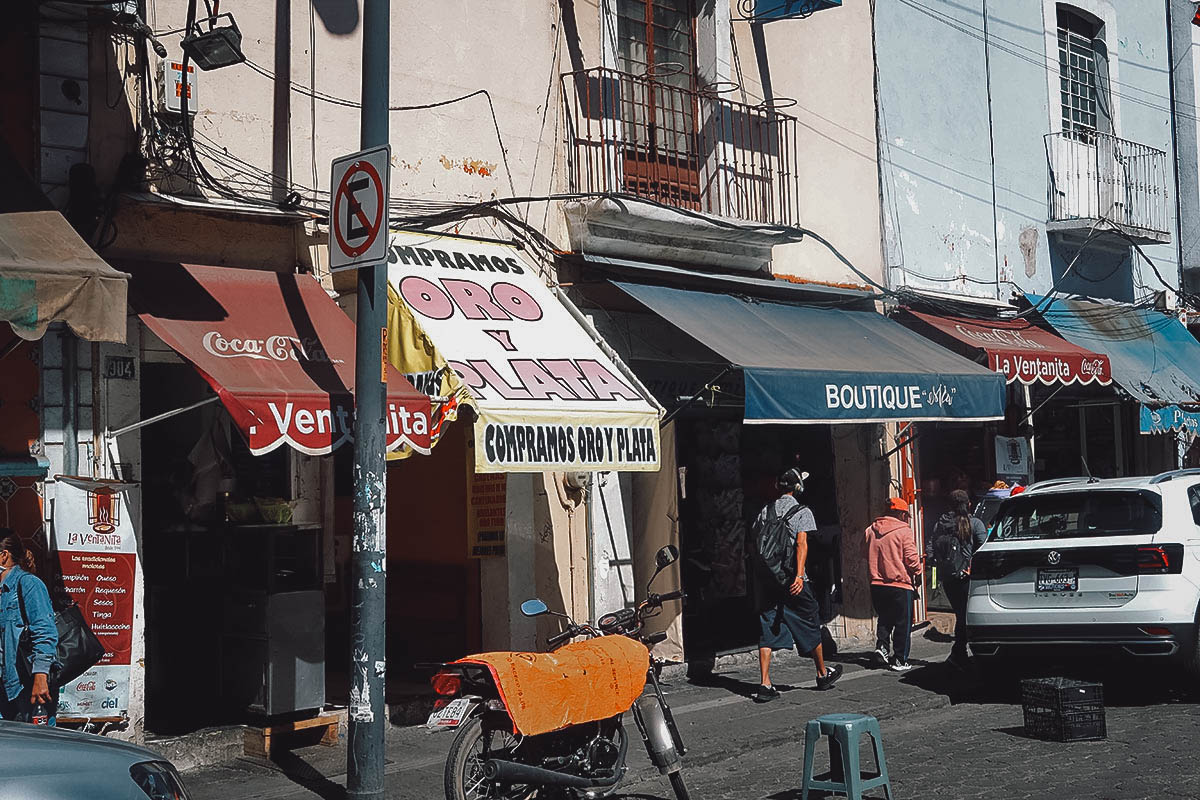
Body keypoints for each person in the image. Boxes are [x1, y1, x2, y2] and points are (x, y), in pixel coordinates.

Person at [752, 468, 843, 700]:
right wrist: (799, 576)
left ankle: (764, 683)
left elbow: (756, 541)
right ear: (798, 488)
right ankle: (822, 673)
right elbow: (802, 544)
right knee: (809, 618)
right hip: (792, 578)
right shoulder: (802, 512)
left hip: (769, 580)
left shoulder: (765, 510)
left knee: (767, 623)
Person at [926, 489, 989, 669]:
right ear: (969, 504)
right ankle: (959, 652)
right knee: (965, 617)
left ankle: (959, 652)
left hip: (948, 577)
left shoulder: (940, 524)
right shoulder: (974, 523)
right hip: (967, 577)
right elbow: (983, 549)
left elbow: (930, 548)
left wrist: (939, 567)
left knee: (960, 615)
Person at [0, 532, 59, 724]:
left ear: (3, 555)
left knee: (36, 748)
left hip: (26, 687)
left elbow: (45, 631)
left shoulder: (29, 584)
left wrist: (40, 677)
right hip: (4, 686)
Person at [866, 498, 921, 672]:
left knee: (884, 618)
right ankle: (899, 659)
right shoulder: (904, 531)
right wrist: (918, 572)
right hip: (900, 584)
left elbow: (863, 552)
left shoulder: (870, 530)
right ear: (902, 514)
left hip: (877, 583)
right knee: (903, 623)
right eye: (906, 515)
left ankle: (881, 648)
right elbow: (911, 558)